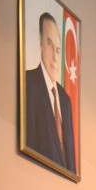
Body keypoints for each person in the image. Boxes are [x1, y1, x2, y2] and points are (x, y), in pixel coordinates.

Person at [24, 12, 76, 174]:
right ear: (40, 42)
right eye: (49, 44)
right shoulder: (28, 83)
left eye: (58, 50)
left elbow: (71, 163)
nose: (55, 57)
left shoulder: (65, 100)